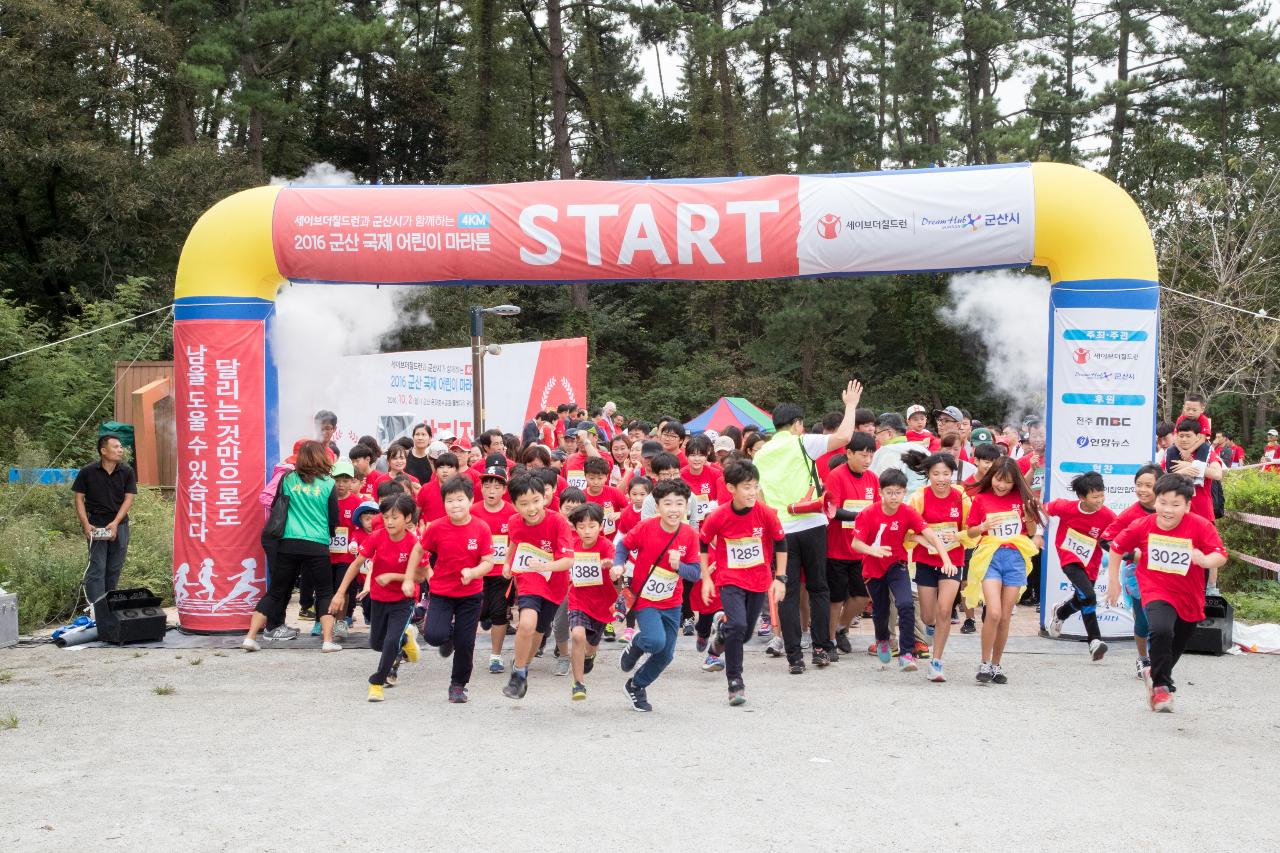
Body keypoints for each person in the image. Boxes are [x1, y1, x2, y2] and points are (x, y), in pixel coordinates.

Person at [753, 380, 864, 673]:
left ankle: (793, 656)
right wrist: (850, 405)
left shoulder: (760, 454)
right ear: (797, 424)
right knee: (818, 587)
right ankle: (820, 648)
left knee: (788, 594)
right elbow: (843, 436)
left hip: (781, 530)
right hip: (812, 524)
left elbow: (760, 496)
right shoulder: (802, 441)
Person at [1106, 474, 1228, 712]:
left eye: (1175, 504)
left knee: (1178, 642)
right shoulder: (1142, 525)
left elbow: (1220, 554)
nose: (1168, 510)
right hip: (1155, 587)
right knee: (1161, 629)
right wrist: (1113, 581)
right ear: (1156, 501)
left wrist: (1204, 559)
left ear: (1187, 505)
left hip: (1189, 594)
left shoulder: (1199, 525)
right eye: (1163, 502)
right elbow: (1116, 548)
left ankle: (1155, 672)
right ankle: (1162, 688)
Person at [698, 460, 786, 705]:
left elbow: (781, 542)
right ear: (731, 488)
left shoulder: (765, 513)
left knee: (744, 633)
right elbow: (703, 541)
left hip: (758, 580)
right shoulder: (719, 515)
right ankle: (735, 682)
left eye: (755, 487)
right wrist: (706, 577)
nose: (752, 492)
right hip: (730, 579)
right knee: (738, 625)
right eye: (747, 487)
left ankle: (719, 641)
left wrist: (780, 577)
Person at [851, 469, 954, 673]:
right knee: (880, 611)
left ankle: (907, 653)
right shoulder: (868, 513)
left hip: (897, 565)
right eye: (889, 492)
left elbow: (930, 536)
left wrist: (946, 558)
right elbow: (856, 543)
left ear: (904, 492)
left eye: (898, 493)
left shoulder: (907, 512)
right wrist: (873, 550)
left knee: (906, 604)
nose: (894, 497)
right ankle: (882, 639)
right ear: (881, 492)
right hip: (873, 567)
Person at [242, 441, 341, 653]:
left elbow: (278, 505)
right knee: (324, 592)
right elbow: (334, 517)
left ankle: (250, 637)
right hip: (317, 543)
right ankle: (327, 641)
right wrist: (329, 533)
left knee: (276, 592)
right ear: (322, 458)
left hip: (288, 542)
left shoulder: (287, 479)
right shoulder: (328, 484)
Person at [615, 479, 701, 711]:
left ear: (687, 507)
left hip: (672, 602)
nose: (674, 509)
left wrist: (678, 566)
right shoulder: (647, 527)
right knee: (654, 641)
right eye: (668, 504)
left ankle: (636, 685)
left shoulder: (690, 535)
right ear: (658, 506)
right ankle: (637, 642)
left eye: (679, 504)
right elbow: (623, 545)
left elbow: (695, 574)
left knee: (665, 655)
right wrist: (618, 565)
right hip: (645, 599)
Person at [330, 494, 423, 701]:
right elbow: (355, 564)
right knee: (377, 644)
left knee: (390, 643)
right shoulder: (377, 536)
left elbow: (422, 575)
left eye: (395, 517)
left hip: (403, 600)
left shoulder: (413, 543)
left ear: (408, 518)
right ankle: (406, 639)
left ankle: (377, 682)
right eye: (386, 517)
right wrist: (339, 593)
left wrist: (394, 577)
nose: (389, 521)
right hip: (379, 598)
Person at [415, 476, 493, 703]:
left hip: (471, 594)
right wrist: (419, 575)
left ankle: (458, 685)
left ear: (470, 501)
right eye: (450, 500)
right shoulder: (436, 527)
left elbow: (488, 562)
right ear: (444, 503)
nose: (455, 504)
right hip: (441, 592)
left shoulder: (481, 528)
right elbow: (419, 552)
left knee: (465, 643)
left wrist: (473, 572)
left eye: (460, 499)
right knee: (433, 635)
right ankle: (447, 638)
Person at [964, 457, 1041, 685]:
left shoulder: (1022, 499)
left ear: (1014, 481)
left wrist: (1029, 520)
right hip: (990, 557)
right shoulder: (981, 499)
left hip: (1015, 559)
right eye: (998, 479)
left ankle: (996, 665)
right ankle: (984, 662)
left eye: (1007, 481)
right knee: (994, 612)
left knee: (1006, 617)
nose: (1001, 485)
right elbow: (970, 533)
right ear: (992, 477)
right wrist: (982, 527)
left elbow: (1031, 531)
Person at [501, 473, 575, 700]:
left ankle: (524, 664)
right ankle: (518, 674)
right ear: (514, 505)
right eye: (523, 504)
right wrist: (507, 562)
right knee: (526, 624)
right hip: (528, 579)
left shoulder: (557, 521)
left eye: (535, 501)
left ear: (544, 498)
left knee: (538, 632)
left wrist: (545, 565)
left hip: (555, 585)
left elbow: (568, 561)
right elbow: (514, 541)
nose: (531, 508)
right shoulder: (514, 521)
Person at [904, 452, 970, 682]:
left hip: (953, 562)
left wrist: (958, 535)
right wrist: (929, 541)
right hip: (926, 561)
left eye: (946, 474)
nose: (941, 479)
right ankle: (931, 627)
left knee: (944, 610)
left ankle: (937, 662)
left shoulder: (961, 496)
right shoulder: (919, 498)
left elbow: (971, 530)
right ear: (928, 475)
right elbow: (909, 534)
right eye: (936, 474)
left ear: (952, 474)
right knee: (928, 614)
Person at [1044, 472, 1118, 660]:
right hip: (1069, 558)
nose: (1100, 500)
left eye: (1102, 495)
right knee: (1090, 596)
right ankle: (1094, 640)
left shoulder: (1108, 515)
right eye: (1095, 497)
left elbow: (1112, 538)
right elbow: (1044, 510)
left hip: (1091, 563)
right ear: (1082, 497)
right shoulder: (1065, 507)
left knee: (1083, 598)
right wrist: (1037, 530)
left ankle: (1060, 612)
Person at [1101, 464, 1161, 679]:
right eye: (1139, 485)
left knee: (1161, 620)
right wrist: (1132, 555)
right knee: (1145, 620)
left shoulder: (1170, 510)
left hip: (1166, 574)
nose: (1142, 490)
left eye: (1148, 485)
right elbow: (1106, 540)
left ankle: (1159, 663)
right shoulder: (1130, 514)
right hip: (1138, 575)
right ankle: (1144, 658)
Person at [822, 432, 878, 655]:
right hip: (837, 549)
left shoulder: (873, 478)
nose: (867, 460)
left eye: (871, 455)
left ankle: (841, 628)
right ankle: (829, 642)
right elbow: (832, 511)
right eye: (863, 455)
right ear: (849, 453)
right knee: (835, 599)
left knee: (863, 596)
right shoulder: (836, 475)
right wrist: (860, 516)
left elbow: (876, 509)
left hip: (861, 550)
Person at [72, 434, 138, 619]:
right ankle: (96, 611)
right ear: (103, 450)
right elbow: (78, 498)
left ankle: (110, 607)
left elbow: (129, 498)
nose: (120, 450)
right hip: (95, 525)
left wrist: (116, 523)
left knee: (114, 567)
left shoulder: (127, 471)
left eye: (121, 447)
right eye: (116, 447)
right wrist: (86, 524)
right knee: (97, 568)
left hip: (120, 525)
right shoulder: (87, 471)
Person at [566, 503, 621, 700]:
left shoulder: (607, 546)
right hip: (578, 599)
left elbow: (617, 570)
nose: (587, 531)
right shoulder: (571, 545)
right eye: (581, 526)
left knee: (591, 643)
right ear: (575, 527)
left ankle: (589, 655)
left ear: (600, 526)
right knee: (578, 636)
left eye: (592, 526)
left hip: (602, 603)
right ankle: (578, 684)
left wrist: (612, 567)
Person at [471, 460, 516, 673]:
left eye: (497, 487)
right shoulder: (472, 511)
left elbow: (518, 542)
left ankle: (495, 656)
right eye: (487, 486)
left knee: (499, 614)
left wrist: (510, 565)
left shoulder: (512, 513)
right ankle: (464, 649)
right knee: (477, 612)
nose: (491, 491)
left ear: (504, 489)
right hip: (477, 572)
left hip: (501, 572)